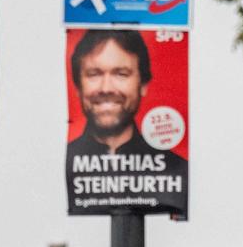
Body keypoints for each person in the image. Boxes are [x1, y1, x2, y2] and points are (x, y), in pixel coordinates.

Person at [65, 30, 187, 215]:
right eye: (94, 74)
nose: (106, 88)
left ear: (143, 84)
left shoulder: (175, 167)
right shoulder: (53, 171)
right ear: (77, 87)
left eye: (121, 74)